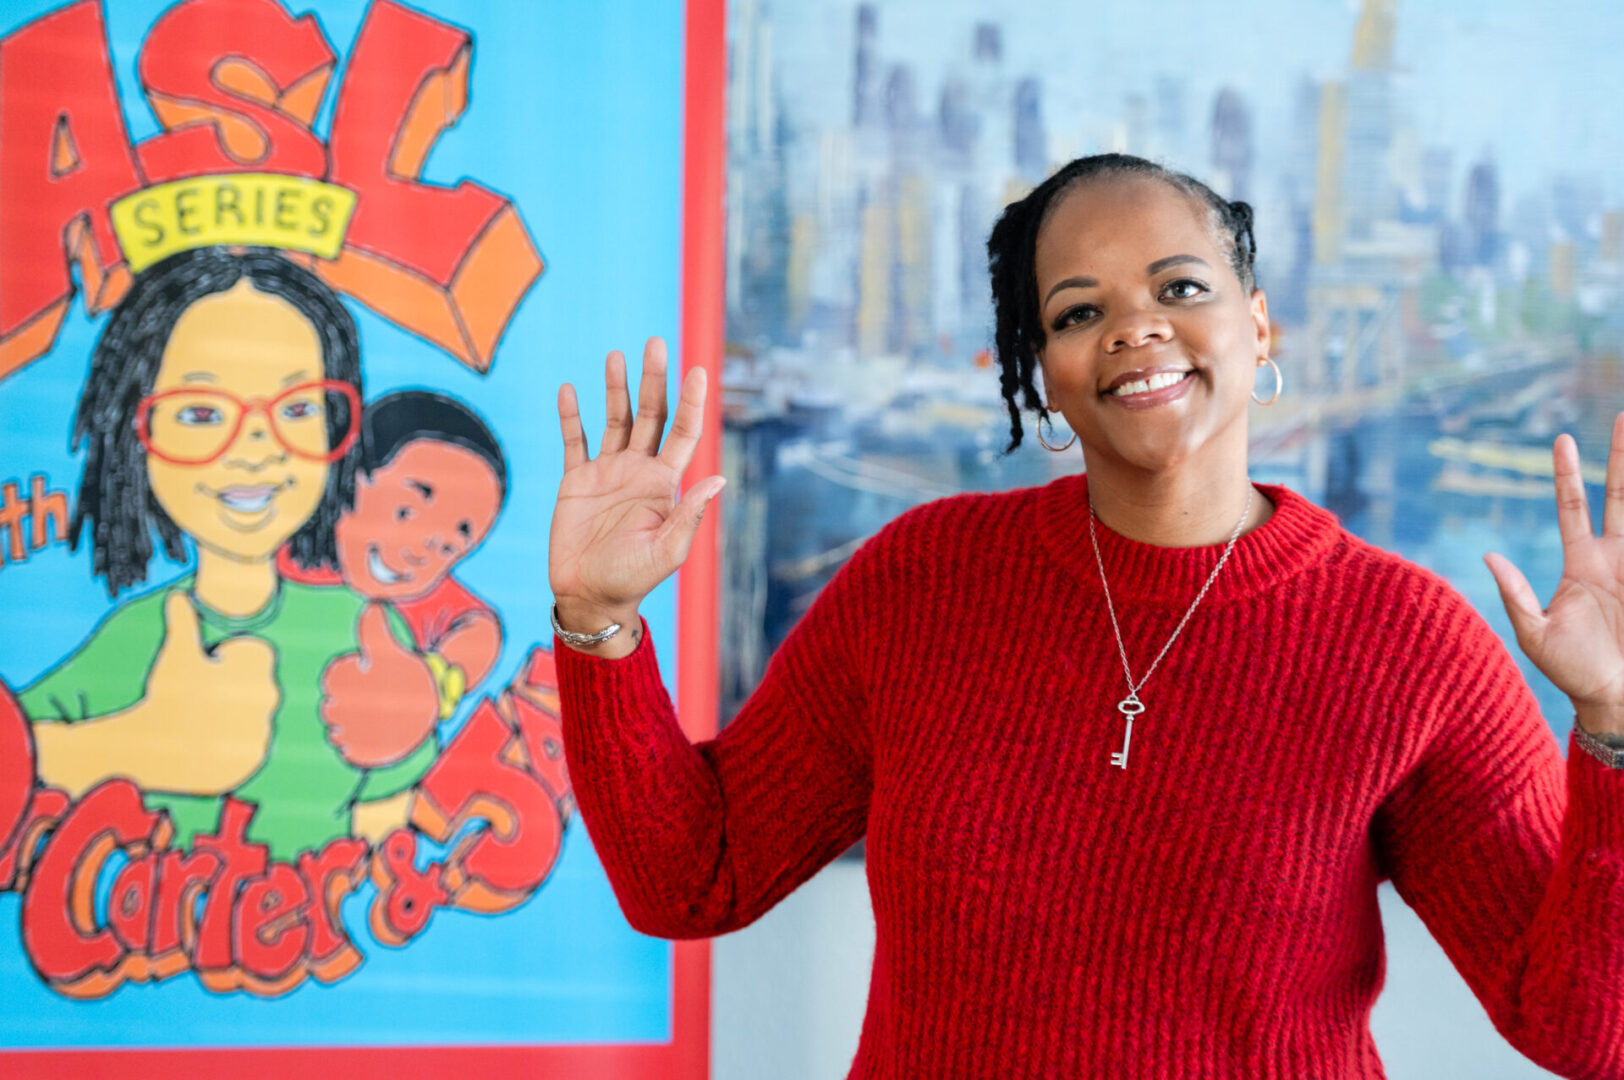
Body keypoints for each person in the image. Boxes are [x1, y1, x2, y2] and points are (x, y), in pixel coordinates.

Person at [546, 155, 1624, 1078]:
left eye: (1180, 285)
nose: (1135, 328)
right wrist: (597, 618)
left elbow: (1583, 1031)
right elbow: (694, 877)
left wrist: (1614, 728)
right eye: (1077, 312)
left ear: (1256, 322)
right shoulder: (921, 583)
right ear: (1042, 377)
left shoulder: (1408, 642)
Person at [23, 247, 439, 860]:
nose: (254, 447)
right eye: (200, 412)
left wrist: (408, 731)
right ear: (138, 434)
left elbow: (392, 847)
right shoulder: (133, 641)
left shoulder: (364, 635)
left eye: (297, 408)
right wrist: (133, 745)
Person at [278, 389, 508, 762]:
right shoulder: (283, 552)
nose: (417, 552)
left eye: (446, 547)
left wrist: (432, 684)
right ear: (351, 476)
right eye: (405, 511)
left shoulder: (422, 600)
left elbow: (481, 630)